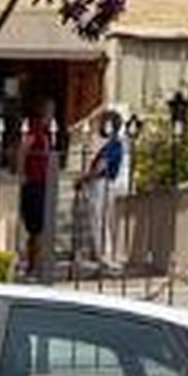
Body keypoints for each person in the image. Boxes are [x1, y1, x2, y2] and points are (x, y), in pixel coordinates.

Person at [80, 107, 132, 269]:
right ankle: (103, 254)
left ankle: (105, 255)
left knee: (99, 220)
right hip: (101, 184)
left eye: (103, 123)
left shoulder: (114, 144)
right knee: (100, 220)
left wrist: (85, 178)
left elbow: (102, 166)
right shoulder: (115, 144)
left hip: (102, 184)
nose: (101, 127)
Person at [15, 110, 56, 272]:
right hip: (33, 183)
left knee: (41, 226)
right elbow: (22, 151)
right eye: (47, 116)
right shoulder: (34, 135)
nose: (49, 119)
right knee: (35, 228)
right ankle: (33, 264)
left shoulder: (46, 136)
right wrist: (21, 173)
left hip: (43, 183)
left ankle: (37, 263)